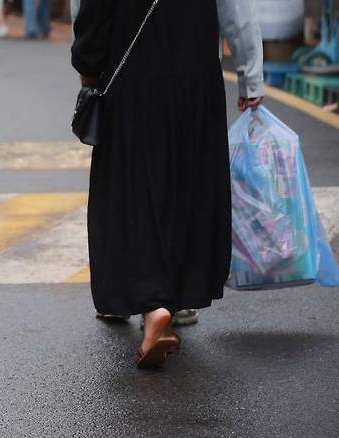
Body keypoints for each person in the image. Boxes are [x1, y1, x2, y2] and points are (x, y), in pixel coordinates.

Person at [71, 0, 264, 369]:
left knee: (134, 187)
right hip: (195, 75)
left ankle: (150, 304)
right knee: (186, 183)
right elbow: (237, 8)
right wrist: (250, 73)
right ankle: (176, 296)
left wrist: (87, 66)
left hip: (129, 73)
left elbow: (87, 8)